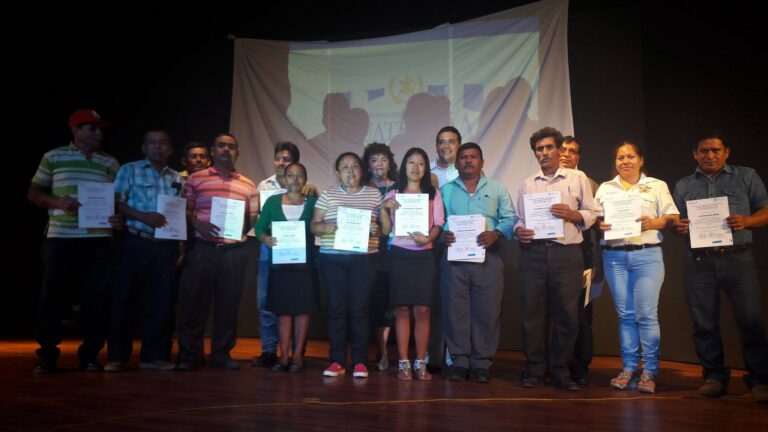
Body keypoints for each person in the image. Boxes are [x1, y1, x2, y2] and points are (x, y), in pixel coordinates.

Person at [673, 130, 768, 402]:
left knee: (750, 321)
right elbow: (676, 221)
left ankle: (760, 380)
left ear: (727, 152)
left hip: (738, 259)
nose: (710, 155)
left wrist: (747, 221)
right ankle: (714, 376)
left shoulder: (746, 176)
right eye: (704, 151)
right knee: (704, 323)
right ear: (695, 154)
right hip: (699, 261)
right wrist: (679, 227)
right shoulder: (683, 185)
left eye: (715, 150)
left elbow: (766, 210)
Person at [28, 109, 122, 373]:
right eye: (92, 128)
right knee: (53, 298)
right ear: (76, 130)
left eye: (101, 129)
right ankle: (47, 355)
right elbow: (33, 192)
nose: (99, 133)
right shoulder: (54, 156)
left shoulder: (111, 162)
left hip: (99, 239)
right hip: (62, 238)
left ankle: (90, 356)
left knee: (97, 299)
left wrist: (117, 219)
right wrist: (57, 201)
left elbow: (116, 202)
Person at [514, 127, 599, 391]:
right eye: (539, 149)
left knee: (567, 315)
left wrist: (573, 215)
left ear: (559, 150)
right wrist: (520, 232)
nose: (544, 153)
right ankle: (534, 369)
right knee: (533, 315)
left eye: (549, 147)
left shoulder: (577, 177)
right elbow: (519, 220)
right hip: (534, 254)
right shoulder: (528, 184)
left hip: (567, 253)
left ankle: (560, 371)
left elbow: (592, 212)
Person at [595, 141, 679, 393]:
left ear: (641, 160)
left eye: (630, 156)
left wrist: (653, 222)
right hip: (615, 257)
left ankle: (650, 371)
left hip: (646, 256)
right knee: (625, 315)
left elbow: (673, 217)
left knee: (646, 314)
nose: (625, 161)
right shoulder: (605, 188)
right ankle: (629, 367)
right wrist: (600, 225)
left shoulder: (656, 185)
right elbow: (597, 219)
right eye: (620, 157)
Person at [176, 133, 259, 370]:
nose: (226, 150)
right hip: (202, 248)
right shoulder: (195, 179)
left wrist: (238, 229)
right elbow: (184, 210)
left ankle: (221, 355)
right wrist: (197, 224)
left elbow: (252, 217)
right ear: (212, 151)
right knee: (194, 304)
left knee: (228, 305)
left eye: (231, 147)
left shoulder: (248, 184)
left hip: (233, 251)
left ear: (237, 153)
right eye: (221, 146)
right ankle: (190, 356)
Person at [106, 130, 182, 372]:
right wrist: (143, 217)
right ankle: (117, 356)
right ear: (144, 147)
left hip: (165, 246)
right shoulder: (129, 170)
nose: (158, 147)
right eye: (152, 143)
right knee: (124, 299)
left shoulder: (178, 178)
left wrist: (180, 244)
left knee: (161, 301)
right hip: (134, 241)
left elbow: (180, 213)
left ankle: (154, 356)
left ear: (170, 149)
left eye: (163, 143)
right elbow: (116, 201)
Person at [440, 142, 517, 383]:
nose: (468, 161)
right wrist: (443, 232)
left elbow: (510, 217)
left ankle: (482, 364)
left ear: (482, 162)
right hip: (454, 259)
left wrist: (496, 233)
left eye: (473, 157)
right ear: (457, 162)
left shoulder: (497, 188)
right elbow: (437, 219)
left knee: (488, 312)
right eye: (463, 157)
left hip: (488, 258)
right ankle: (460, 362)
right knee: (455, 312)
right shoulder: (445, 190)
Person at [311, 152, 381, 378]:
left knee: (360, 310)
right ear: (338, 172)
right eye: (344, 167)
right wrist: (324, 228)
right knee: (336, 310)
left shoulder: (373, 194)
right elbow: (314, 225)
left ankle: (360, 362)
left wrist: (376, 230)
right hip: (333, 259)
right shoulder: (328, 194)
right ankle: (337, 361)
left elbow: (381, 227)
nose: (350, 172)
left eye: (354, 167)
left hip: (364, 260)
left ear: (362, 170)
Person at [379, 147, 444, 381]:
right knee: (403, 309)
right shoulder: (393, 194)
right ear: (404, 166)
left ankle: (420, 362)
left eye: (421, 164)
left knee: (423, 310)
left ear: (426, 168)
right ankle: (404, 362)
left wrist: (428, 238)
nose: (416, 168)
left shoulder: (433, 193)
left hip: (424, 256)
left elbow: (438, 224)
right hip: (399, 255)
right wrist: (385, 210)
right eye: (411, 163)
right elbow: (386, 230)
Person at [255, 162, 318, 373]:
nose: (295, 179)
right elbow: (259, 229)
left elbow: (318, 228)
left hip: (304, 268)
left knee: (302, 311)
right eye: (291, 175)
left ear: (305, 179)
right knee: (283, 312)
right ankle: (283, 357)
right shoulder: (272, 202)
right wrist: (266, 239)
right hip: (280, 266)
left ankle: (298, 356)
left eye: (300, 175)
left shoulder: (313, 203)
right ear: (284, 179)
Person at [559, 136, 604, 385]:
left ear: (579, 157)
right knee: (554, 314)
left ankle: (580, 366)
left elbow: (600, 228)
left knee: (581, 315)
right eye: (563, 150)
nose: (566, 154)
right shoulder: (544, 183)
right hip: (551, 257)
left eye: (572, 151)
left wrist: (598, 261)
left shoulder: (590, 184)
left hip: (583, 257)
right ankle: (554, 364)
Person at [426, 125, 462, 373]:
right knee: (430, 301)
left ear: (459, 145)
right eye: (441, 142)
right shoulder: (425, 171)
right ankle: (430, 353)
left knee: (454, 301)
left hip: (459, 243)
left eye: (451, 141)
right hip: (431, 244)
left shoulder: (467, 171)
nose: (445, 146)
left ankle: (453, 353)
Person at [362, 142, 398, 371]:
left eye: (383, 159)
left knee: (388, 300)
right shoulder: (361, 187)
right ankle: (373, 348)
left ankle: (384, 350)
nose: (379, 164)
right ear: (367, 164)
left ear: (390, 163)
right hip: (366, 248)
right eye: (374, 159)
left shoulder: (399, 187)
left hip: (394, 248)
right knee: (371, 299)